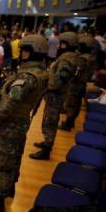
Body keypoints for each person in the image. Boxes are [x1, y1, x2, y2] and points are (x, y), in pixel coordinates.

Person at [0, 34, 49, 212]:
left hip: (11, 125)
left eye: (23, 50)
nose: (20, 53)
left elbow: (8, 107)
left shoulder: (27, 77)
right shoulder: (41, 73)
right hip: (21, 122)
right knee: (14, 158)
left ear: (30, 52)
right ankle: (9, 189)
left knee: (3, 161)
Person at [30, 31, 79, 160]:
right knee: (48, 121)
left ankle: (46, 149)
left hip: (55, 95)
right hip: (55, 95)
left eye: (62, 43)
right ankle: (46, 142)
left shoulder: (66, 60)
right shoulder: (69, 57)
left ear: (67, 44)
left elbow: (59, 80)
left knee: (50, 122)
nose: (59, 46)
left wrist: (48, 85)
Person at [59, 34, 97, 131]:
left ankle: (68, 124)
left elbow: (77, 73)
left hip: (76, 83)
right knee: (76, 104)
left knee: (72, 103)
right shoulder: (91, 58)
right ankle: (70, 122)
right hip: (83, 83)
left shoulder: (82, 59)